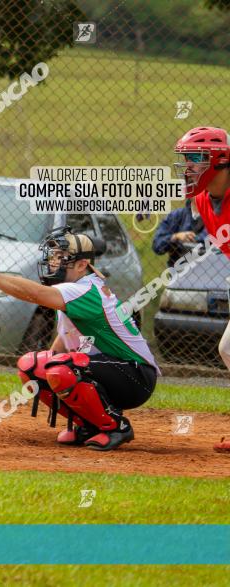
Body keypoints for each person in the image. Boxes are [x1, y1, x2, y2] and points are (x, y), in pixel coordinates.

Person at [0, 226, 159, 451]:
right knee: (33, 366)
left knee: (60, 369)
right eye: (53, 256)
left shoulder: (83, 290)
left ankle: (115, 427)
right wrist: (46, 371)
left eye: (61, 257)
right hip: (117, 370)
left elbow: (34, 294)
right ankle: (89, 425)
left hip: (136, 377)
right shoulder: (77, 288)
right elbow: (66, 337)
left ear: (81, 265)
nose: (52, 262)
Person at [174, 126, 230, 453]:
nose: (188, 167)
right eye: (185, 159)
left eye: (195, 158)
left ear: (220, 161)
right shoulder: (201, 198)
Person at [151, 198, 208, 268]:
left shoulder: (217, 215)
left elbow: (208, 239)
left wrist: (186, 241)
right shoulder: (176, 215)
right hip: (180, 271)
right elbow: (157, 245)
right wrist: (175, 237)